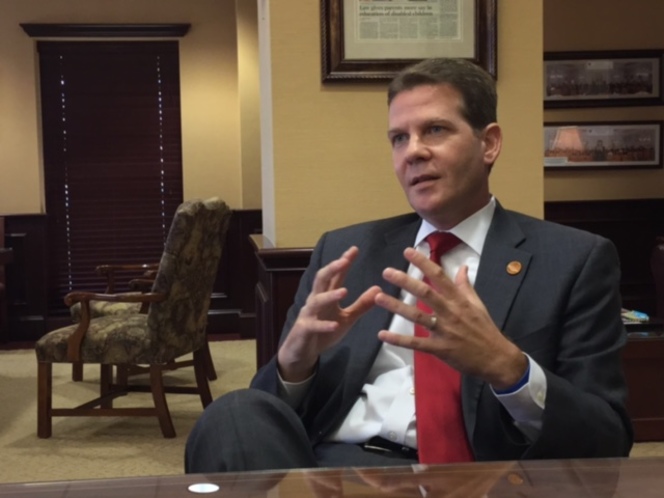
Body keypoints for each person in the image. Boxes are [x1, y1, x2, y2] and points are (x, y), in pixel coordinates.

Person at [185, 58, 633, 473]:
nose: (412, 151)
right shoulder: (346, 252)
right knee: (233, 413)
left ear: (489, 143)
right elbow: (271, 423)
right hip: (340, 471)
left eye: (435, 130)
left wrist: (509, 367)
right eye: (399, 138)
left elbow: (607, 438)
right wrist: (293, 363)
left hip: (481, 476)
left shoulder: (574, 259)